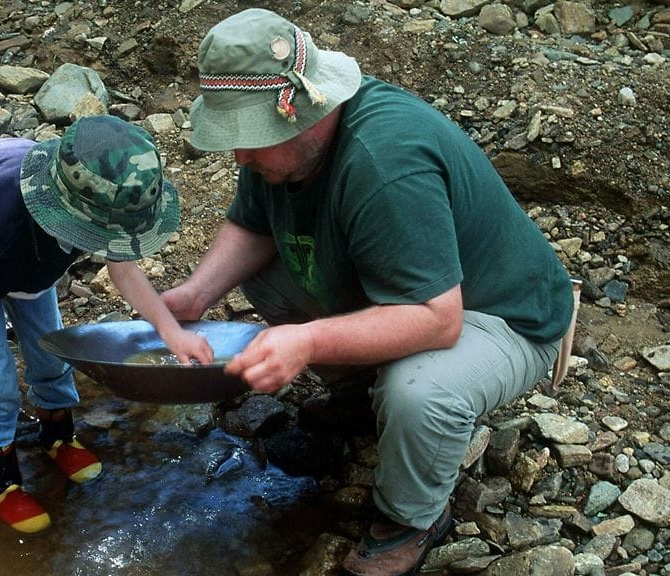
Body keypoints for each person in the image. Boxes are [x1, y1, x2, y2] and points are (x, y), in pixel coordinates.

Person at [160, 9, 574, 576]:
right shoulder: (277, 147)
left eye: (248, 141)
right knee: (266, 272)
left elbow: (437, 320)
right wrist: (193, 296)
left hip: (502, 314)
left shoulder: (384, 163)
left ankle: (413, 517)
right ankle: (364, 398)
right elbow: (254, 228)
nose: (239, 157)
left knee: (421, 392)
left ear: (303, 114)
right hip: (412, 290)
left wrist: (306, 342)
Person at [0, 115, 214, 534]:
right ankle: (2, 478)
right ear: (67, 214)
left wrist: (173, 333)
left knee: (52, 352)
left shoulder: (100, 199)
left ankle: (56, 436)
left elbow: (123, 271)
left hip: (31, 261)